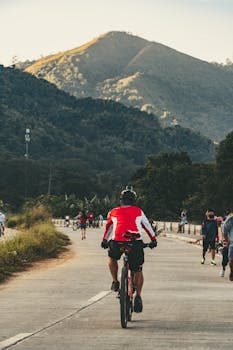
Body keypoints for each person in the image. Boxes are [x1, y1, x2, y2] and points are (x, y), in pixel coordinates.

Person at [101, 187, 157, 313]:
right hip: (135, 243)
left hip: (117, 242)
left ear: (121, 200)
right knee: (138, 268)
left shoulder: (113, 211)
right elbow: (147, 226)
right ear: (133, 200)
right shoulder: (138, 211)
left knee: (112, 258)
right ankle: (138, 295)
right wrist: (153, 240)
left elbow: (108, 227)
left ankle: (115, 281)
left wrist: (104, 241)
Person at [218, 211, 231, 277]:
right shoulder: (224, 224)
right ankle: (223, 269)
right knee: (225, 258)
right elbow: (222, 234)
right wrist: (220, 243)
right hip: (226, 243)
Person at [223, 209, 233, 281]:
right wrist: (227, 241)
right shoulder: (230, 220)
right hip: (232, 243)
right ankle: (232, 271)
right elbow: (225, 231)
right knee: (231, 260)